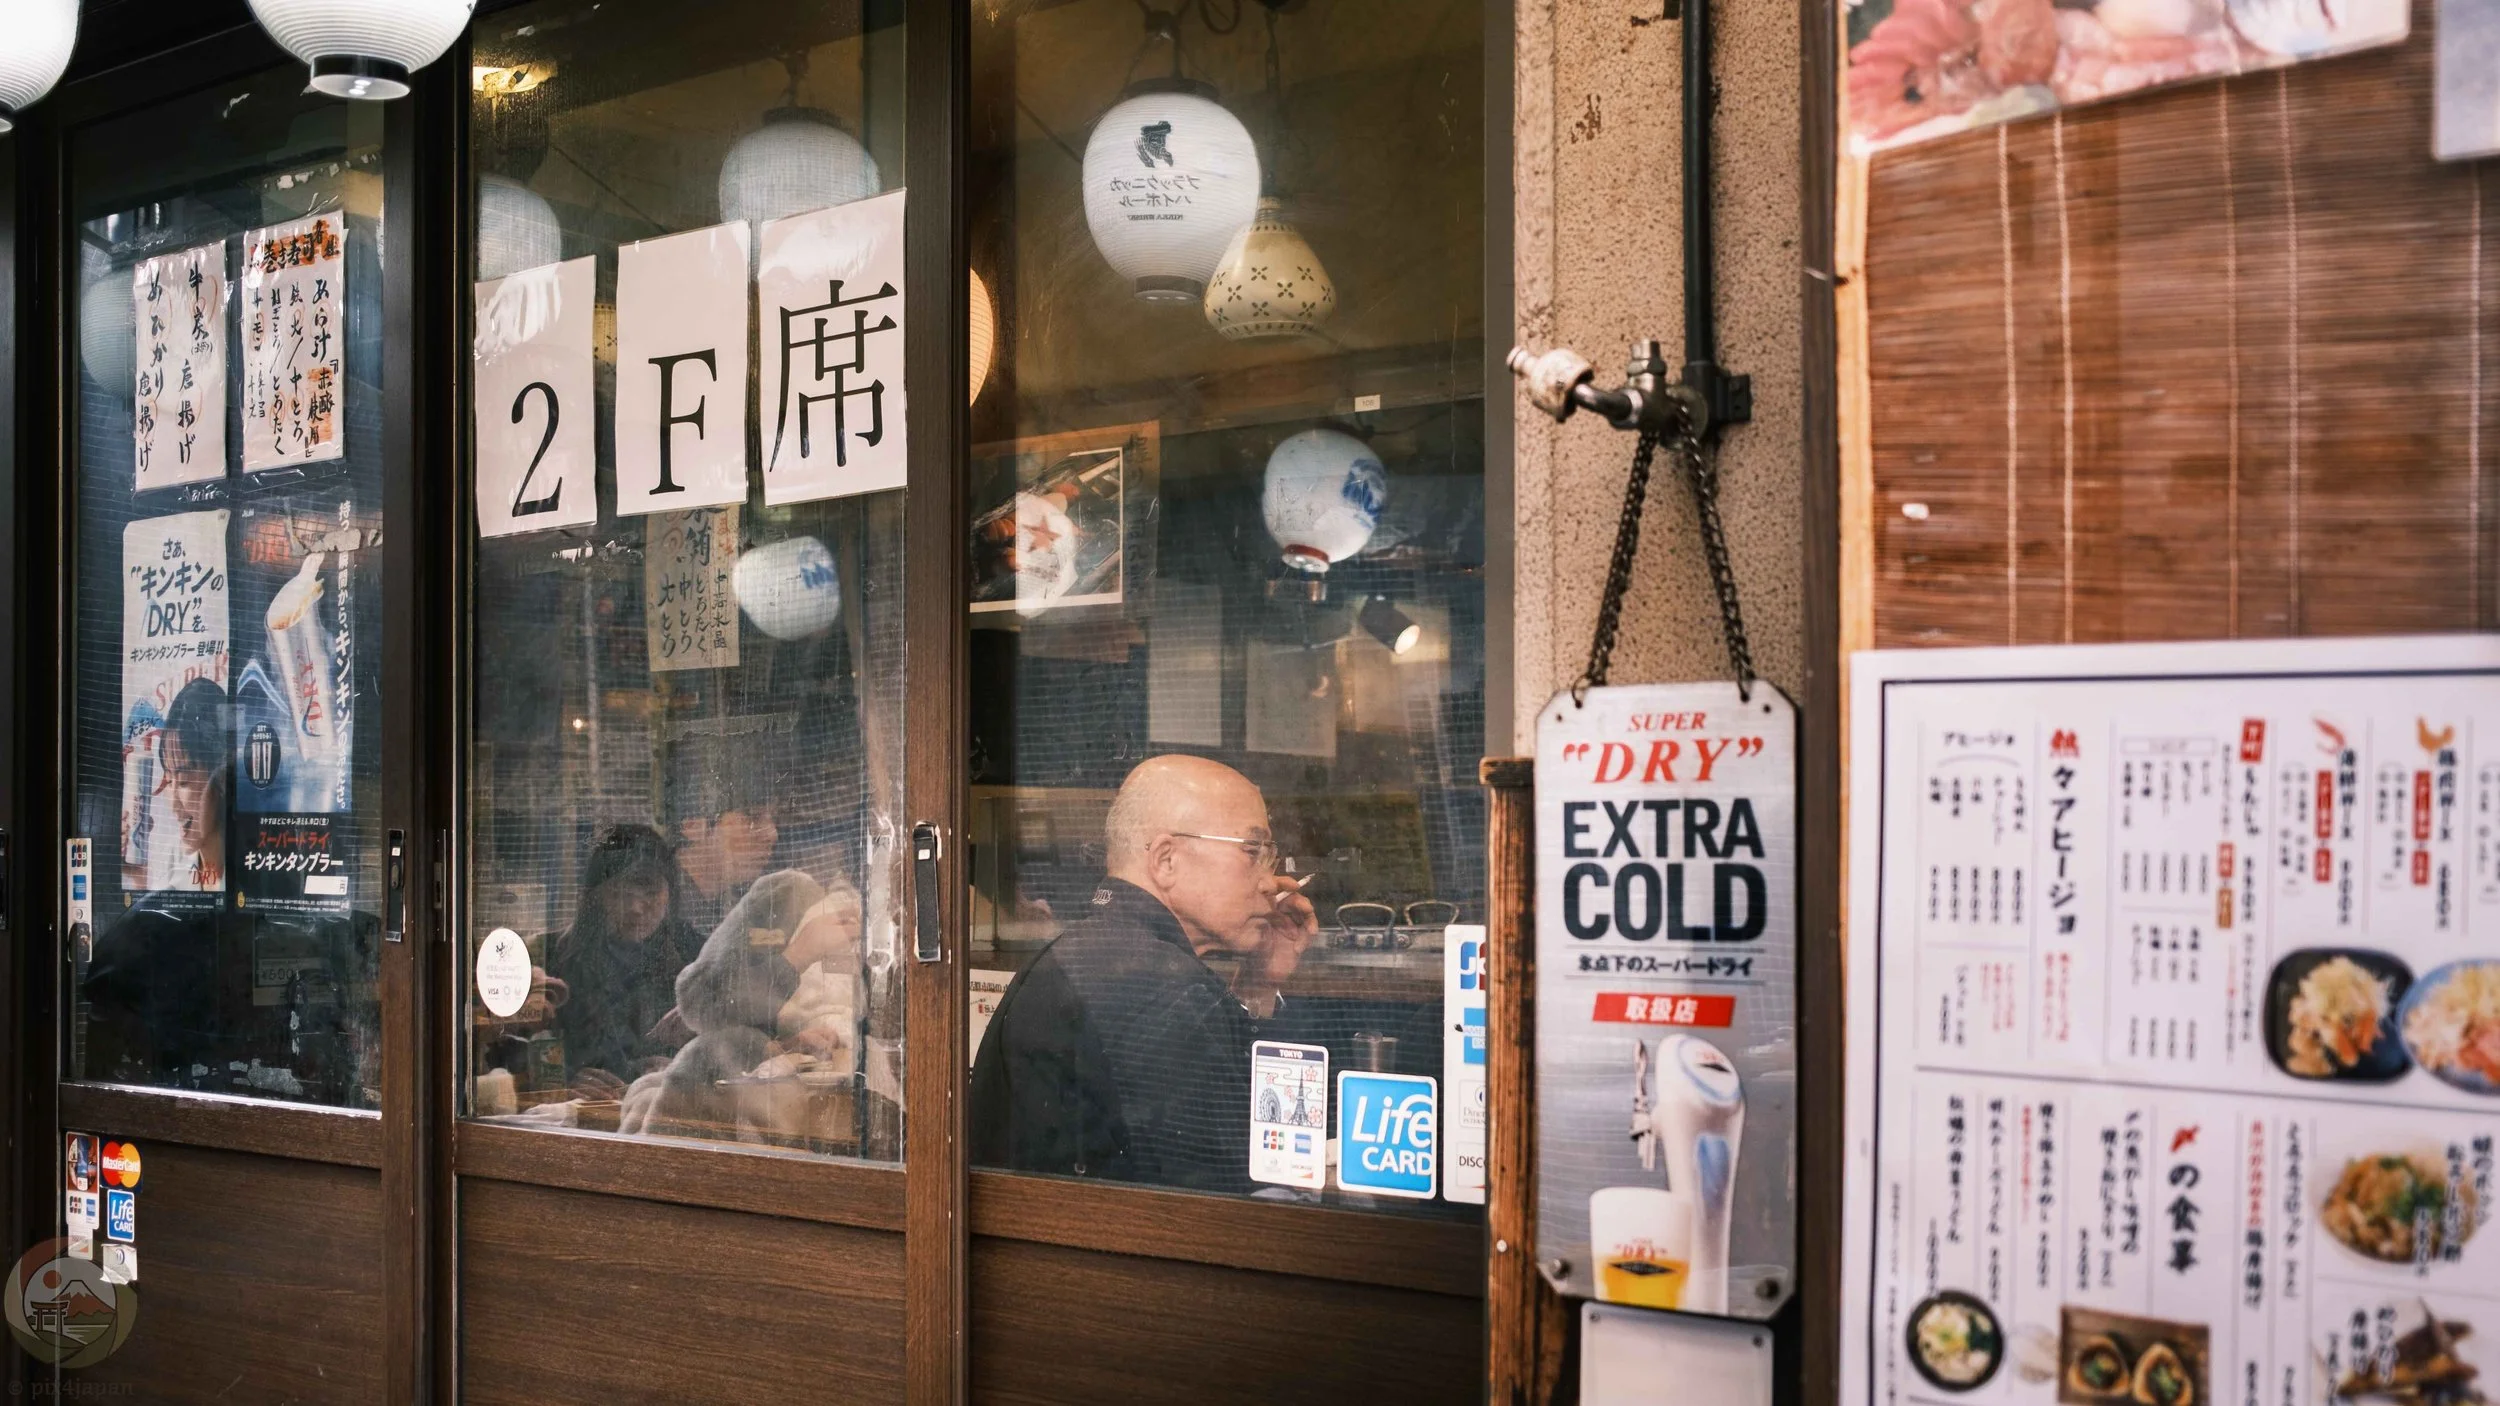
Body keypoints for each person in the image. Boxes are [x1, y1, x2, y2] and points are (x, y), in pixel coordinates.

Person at [969, 755, 1318, 1192]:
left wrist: (1257, 986)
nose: (1271, 881)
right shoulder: (1159, 987)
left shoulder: (1088, 953)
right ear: (1166, 860)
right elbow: (1239, 1187)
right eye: (1253, 852)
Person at [545, 825, 699, 1099]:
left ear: (669, 892)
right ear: (596, 896)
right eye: (619, 893)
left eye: (650, 893)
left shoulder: (692, 950)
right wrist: (563, 1079)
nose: (636, 908)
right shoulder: (557, 959)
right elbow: (524, 1055)